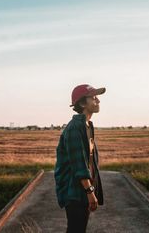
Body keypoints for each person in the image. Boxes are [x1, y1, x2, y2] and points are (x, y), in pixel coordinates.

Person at [54, 84, 105, 233]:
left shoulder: (87, 125)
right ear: (82, 103)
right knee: (76, 229)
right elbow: (79, 165)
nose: (98, 101)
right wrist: (90, 192)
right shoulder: (75, 128)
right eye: (94, 97)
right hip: (74, 192)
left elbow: (90, 162)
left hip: (82, 190)